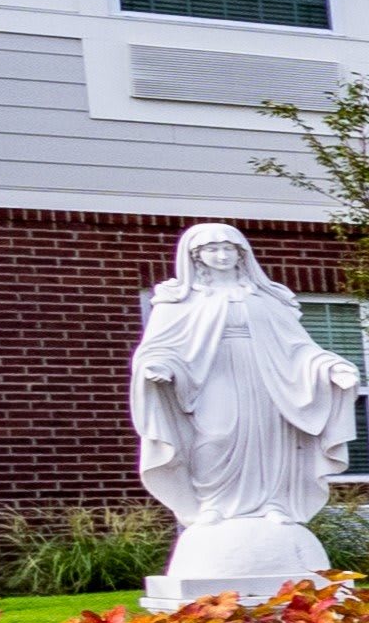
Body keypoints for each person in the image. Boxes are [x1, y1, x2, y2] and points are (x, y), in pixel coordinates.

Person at [131, 222, 356, 600]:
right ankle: (214, 506)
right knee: (216, 436)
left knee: (271, 440)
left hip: (268, 380)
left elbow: (298, 348)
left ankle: (273, 502)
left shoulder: (268, 298)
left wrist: (329, 367)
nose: (221, 256)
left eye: (229, 249)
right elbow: (160, 347)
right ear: (195, 257)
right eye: (212, 250)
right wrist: (159, 367)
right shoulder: (178, 300)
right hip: (212, 379)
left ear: (241, 254)